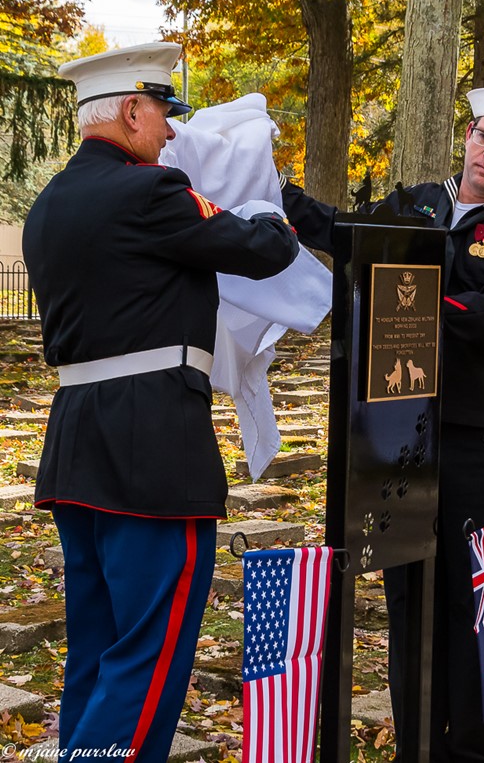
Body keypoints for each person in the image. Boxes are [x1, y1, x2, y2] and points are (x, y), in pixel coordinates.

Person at [22, 42, 299, 761]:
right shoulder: (149, 192)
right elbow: (263, 249)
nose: (173, 133)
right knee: (147, 650)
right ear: (134, 111)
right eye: (165, 115)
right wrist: (268, 206)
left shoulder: (48, 204)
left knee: (98, 644)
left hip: (78, 439)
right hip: (150, 447)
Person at [278, 88, 484, 762]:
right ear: (466, 135)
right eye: (480, 135)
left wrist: (406, 286)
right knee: (406, 592)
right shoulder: (417, 204)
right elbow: (339, 233)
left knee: (476, 605)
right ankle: (415, 746)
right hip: (400, 433)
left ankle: (470, 752)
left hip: (478, 439)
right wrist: (271, 191)